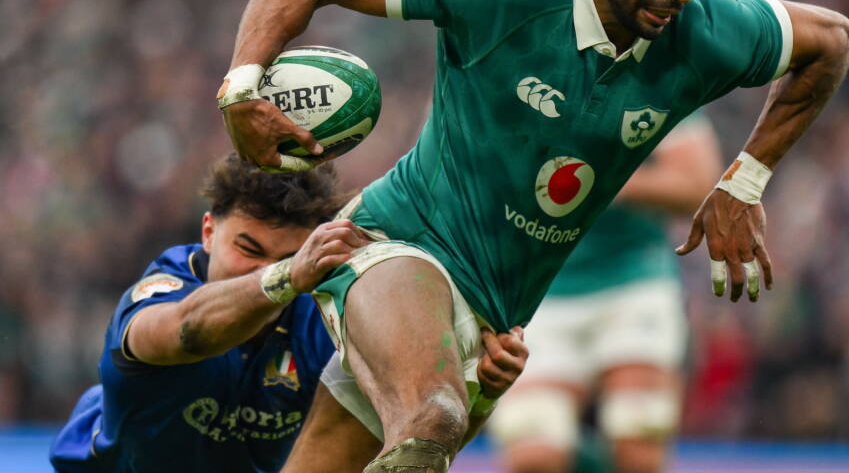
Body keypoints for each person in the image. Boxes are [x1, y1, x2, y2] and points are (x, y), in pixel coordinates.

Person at [217, 0, 849, 473]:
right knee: (432, 418)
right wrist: (242, 88)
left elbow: (833, 39)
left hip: (500, 317)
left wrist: (745, 181)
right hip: (399, 245)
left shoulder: (700, 37)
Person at [48, 154, 530, 472]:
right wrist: (287, 277)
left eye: (288, 257)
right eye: (248, 248)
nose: (264, 267)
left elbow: (403, 439)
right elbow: (187, 331)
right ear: (209, 231)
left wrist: (479, 389)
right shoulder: (165, 290)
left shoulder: (322, 320)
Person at [488, 114, 722, 473]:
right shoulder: (512, 79)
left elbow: (697, 182)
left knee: (637, 449)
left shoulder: (656, 76)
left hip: (632, 282)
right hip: (536, 292)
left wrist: (601, 181)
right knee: (535, 458)